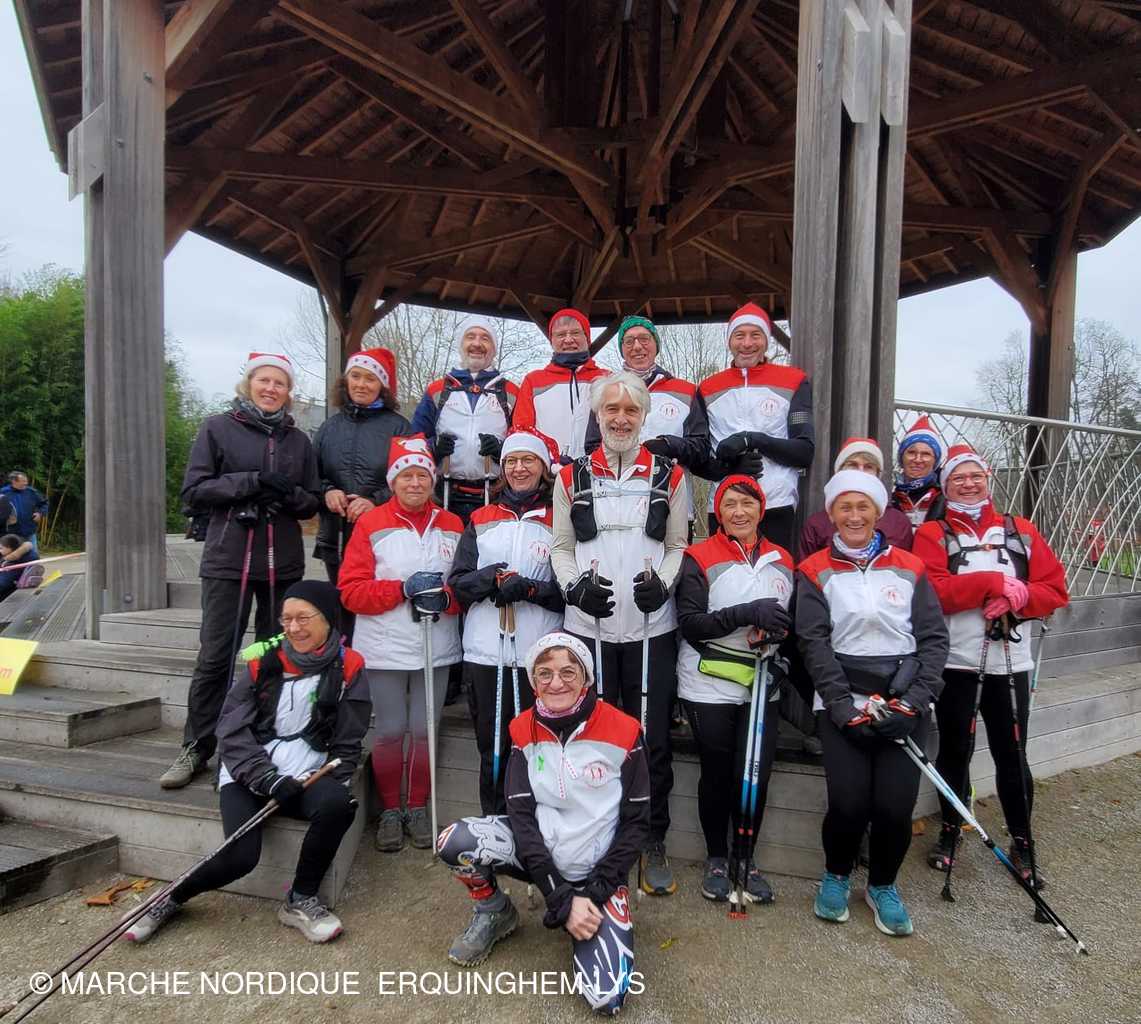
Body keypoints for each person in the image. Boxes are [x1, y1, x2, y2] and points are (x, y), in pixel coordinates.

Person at [123, 581, 370, 945]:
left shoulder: (349, 665)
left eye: (303, 618)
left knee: (338, 805)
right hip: (248, 772)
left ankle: (300, 898)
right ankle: (170, 897)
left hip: (306, 771)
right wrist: (267, 779)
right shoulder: (263, 662)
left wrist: (335, 774)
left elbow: (350, 738)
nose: (294, 627)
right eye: (286, 619)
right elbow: (231, 729)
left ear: (329, 619)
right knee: (241, 856)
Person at [437, 632, 648, 1015]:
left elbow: (636, 825)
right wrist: (560, 899)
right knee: (456, 842)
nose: (556, 683)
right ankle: (495, 911)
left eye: (569, 672)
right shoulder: (522, 728)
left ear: (586, 679)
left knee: (607, 998)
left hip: (598, 873)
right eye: (544, 673)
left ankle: (602, 911)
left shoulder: (624, 729)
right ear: (533, 681)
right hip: (542, 858)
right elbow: (520, 815)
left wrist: (593, 893)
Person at [551, 371, 688, 897]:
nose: (621, 419)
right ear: (598, 415)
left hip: (652, 627)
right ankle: (599, 832)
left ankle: (652, 836)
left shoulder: (669, 475)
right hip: (591, 627)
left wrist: (665, 584)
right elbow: (561, 547)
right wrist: (573, 589)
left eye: (631, 410)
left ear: (644, 415)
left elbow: (677, 546)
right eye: (612, 409)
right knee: (593, 736)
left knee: (652, 740)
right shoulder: (571, 475)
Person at [797, 470, 949, 936]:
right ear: (831, 514)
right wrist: (843, 708)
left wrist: (914, 704)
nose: (854, 515)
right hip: (844, 701)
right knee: (848, 802)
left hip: (903, 702)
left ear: (878, 512)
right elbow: (813, 643)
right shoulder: (814, 570)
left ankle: (883, 885)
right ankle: (836, 875)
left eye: (863, 506)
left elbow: (933, 640)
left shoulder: (910, 565)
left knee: (894, 807)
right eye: (845, 507)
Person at [160, 353, 320, 790]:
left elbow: (310, 501)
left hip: (280, 562)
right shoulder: (218, 427)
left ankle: (261, 740)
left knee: (273, 653)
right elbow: (195, 491)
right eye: (264, 380)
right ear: (249, 384)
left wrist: (287, 495)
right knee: (216, 656)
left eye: (280, 383)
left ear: (288, 392)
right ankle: (197, 745)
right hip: (229, 558)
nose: (271, 389)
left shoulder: (298, 440)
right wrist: (250, 482)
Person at [912, 445, 1068, 883]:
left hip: (1011, 663)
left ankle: (1023, 839)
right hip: (957, 662)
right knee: (955, 751)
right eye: (958, 478)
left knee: (1012, 753)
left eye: (975, 476)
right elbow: (933, 591)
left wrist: (1021, 597)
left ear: (988, 479)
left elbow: (1055, 589)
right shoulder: (933, 533)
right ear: (945, 486)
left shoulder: (1020, 530)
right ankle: (952, 828)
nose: (968, 484)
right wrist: (992, 583)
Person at [338, 435, 464, 852]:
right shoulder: (371, 523)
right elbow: (351, 591)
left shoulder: (452, 524)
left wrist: (447, 598)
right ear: (392, 481)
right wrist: (402, 589)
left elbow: (463, 585)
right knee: (391, 730)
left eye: (422, 475)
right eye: (406, 475)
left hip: (435, 645)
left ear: (433, 480)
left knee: (425, 730)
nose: (415, 483)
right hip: (385, 647)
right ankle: (391, 808)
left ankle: (417, 805)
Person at [675, 474, 793, 905]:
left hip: (762, 681)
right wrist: (746, 613)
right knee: (719, 771)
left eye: (747, 503)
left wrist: (779, 640)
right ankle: (717, 858)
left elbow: (792, 622)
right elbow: (691, 623)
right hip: (709, 682)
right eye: (730, 504)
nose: (739, 512)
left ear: (762, 509)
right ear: (717, 512)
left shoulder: (784, 559)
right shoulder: (699, 556)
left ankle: (747, 858)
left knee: (756, 773)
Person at [448, 427, 564, 813]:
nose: (519, 468)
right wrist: (487, 580)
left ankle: (534, 824)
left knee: (536, 746)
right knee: (493, 746)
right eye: (511, 461)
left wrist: (528, 588)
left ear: (543, 467)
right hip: (486, 651)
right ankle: (494, 822)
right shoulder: (481, 517)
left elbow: (565, 592)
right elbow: (458, 584)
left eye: (528, 460)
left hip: (539, 653)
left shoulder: (558, 519)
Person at [698, 303, 814, 553]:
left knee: (776, 576)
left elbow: (804, 451)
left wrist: (753, 440)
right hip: (724, 507)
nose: (747, 343)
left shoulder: (794, 381)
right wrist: (729, 469)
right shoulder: (707, 388)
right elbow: (698, 459)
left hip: (776, 504)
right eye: (739, 335)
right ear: (729, 341)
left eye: (756, 335)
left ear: (767, 340)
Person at [312, 347, 408, 588]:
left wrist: (374, 501)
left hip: (382, 534)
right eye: (355, 376)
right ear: (346, 381)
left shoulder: (399, 428)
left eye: (370, 378)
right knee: (340, 599)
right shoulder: (329, 427)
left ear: (382, 386)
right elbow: (311, 475)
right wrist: (327, 492)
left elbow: (413, 481)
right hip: (335, 534)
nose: (361, 385)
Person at [411, 317, 519, 523]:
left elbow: (524, 439)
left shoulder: (510, 392)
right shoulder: (438, 390)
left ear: (494, 349)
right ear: (461, 345)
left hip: (494, 493)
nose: (477, 343)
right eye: (470, 337)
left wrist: (502, 451)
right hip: (444, 493)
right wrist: (434, 448)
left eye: (485, 338)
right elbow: (413, 440)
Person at [584, 315, 708, 473]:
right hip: (614, 485)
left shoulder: (687, 391)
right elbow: (592, 446)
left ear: (656, 344)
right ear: (622, 349)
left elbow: (702, 449)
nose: (637, 346)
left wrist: (669, 445)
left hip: (670, 485)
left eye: (644, 339)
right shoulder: (607, 390)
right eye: (629, 341)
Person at [513, 308, 609, 461]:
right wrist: (550, 459)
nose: (568, 340)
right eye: (561, 334)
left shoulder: (606, 378)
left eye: (575, 333)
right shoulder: (533, 381)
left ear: (587, 338)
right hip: (549, 468)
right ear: (552, 341)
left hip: (597, 467)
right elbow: (523, 430)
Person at [798, 437, 913, 559]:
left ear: (878, 474)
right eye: (853, 465)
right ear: (839, 470)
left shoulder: (898, 522)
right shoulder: (817, 524)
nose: (860, 472)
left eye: (869, 467)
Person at [891, 415, 946, 531]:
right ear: (901, 458)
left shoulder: (946, 500)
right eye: (911, 452)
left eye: (926, 454)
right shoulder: (889, 500)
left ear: (935, 461)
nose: (917, 459)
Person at [0, 472, 48, 554]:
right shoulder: (3, 492)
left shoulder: (31, 492)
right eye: (23, 481)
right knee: (11, 556)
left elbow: (44, 503)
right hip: (10, 533)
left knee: (33, 556)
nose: (26, 483)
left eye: (26, 481)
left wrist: (40, 513)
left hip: (29, 531)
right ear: (14, 481)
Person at [0, 533, 38, 603]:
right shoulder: (10, 556)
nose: (0, 550)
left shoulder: (14, 564)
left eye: (1, 548)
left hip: (8, 593)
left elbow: (3, 583)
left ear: (10, 548)